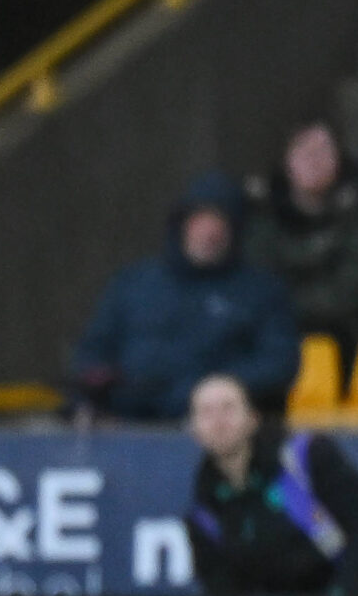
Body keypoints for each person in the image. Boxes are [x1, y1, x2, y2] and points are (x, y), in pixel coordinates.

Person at [70, 173, 301, 422]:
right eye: (199, 221)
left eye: (219, 223)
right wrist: (94, 380)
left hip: (209, 424)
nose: (209, 232)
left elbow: (279, 362)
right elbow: (93, 348)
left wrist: (213, 387)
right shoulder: (134, 282)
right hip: (123, 419)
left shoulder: (261, 291)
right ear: (182, 224)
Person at [184, 372, 358, 596]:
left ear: (253, 418)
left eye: (228, 408)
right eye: (206, 412)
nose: (219, 421)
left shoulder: (304, 459)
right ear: (193, 429)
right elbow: (223, 595)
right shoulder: (203, 513)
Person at [240, 119, 358, 355]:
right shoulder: (262, 214)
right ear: (287, 161)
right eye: (303, 150)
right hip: (279, 339)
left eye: (323, 150)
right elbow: (259, 281)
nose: (314, 159)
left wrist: (297, 298)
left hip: (351, 335)